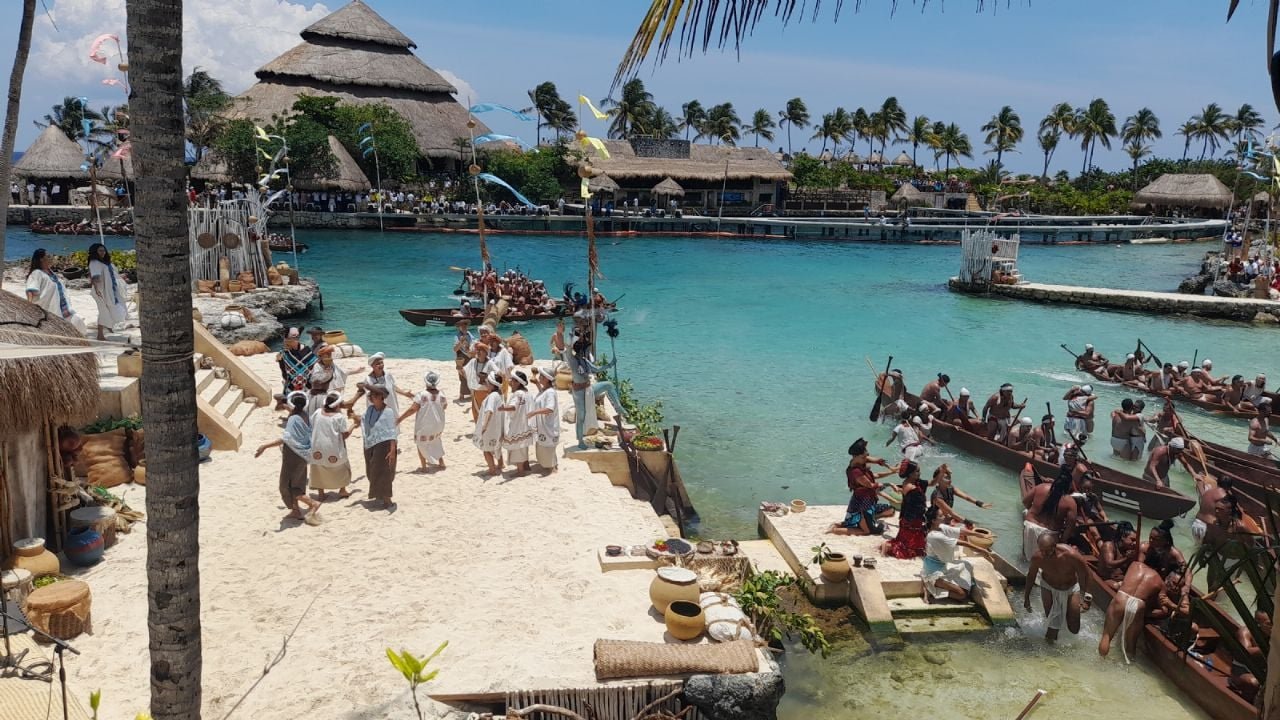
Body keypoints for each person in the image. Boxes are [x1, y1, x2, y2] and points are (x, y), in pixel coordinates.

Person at [1098, 561, 1189, 663]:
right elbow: (1164, 610)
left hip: (1122, 598)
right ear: (1165, 576)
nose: (1175, 587)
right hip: (1138, 605)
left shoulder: (1134, 564)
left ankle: (1100, 663)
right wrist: (1147, 613)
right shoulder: (1160, 582)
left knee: (1107, 636)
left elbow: (1120, 582)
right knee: (1131, 644)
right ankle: (1128, 666)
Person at [254, 392, 322, 523]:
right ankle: (296, 511)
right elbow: (293, 410)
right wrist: (285, 405)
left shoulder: (293, 419)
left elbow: (286, 439)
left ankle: (313, 503)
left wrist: (265, 446)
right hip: (304, 454)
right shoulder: (304, 415)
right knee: (297, 482)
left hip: (293, 455)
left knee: (285, 485)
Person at [1024, 532, 1093, 642]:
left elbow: (1087, 574)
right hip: (1049, 587)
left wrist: (1087, 597)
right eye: (1042, 551)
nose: (1045, 554)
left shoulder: (1071, 555)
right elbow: (1031, 576)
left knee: (1074, 627)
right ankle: (1050, 653)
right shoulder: (1037, 558)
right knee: (1053, 625)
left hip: (1071, 587)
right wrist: (1026, 597)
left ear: (1054, 546)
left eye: (1048, 550)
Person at [564, 329, 626, 448]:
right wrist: (571, 336)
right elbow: (567, 349)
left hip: (588, 388)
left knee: (608, 385)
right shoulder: (573, 360)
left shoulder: (585, 361)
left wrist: (610, 364)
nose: (588, 350)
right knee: (581, 416)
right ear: (581, 350)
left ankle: (618, 406)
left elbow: (597, 369)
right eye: (586, 349)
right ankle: (580, 441)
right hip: (578, 392)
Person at [921, 505, 993, 603]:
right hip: (933, 572)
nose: (945, 517)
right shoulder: (934, 536)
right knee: (962, 595)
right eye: (941, 516)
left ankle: (933, 586)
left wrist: (979, 534)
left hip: (942, 566)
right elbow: (962, 542)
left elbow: (960, 531)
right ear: (933, 520)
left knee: (966, 564)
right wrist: (982, 549)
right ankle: (931, 588)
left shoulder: (940, 527)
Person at [828, 438, 896, 536]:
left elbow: (876, 460)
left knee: (891, 510)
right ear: (856, 456)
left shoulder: (860, 461)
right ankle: (834, 530)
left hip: (869, 501)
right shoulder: (856, 472)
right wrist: (889, 484)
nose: (867, 458)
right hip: (861, 504)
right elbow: (871, 486)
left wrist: (890, 468)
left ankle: (869, 518)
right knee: (867, 531)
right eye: (864, 457)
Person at [1022, 466, 1079, 561]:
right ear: (1068, 486)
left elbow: (1025, 502)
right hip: (1049, 534)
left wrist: (1033, 511)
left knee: (1025, 558)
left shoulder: (1041, 487)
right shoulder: (1070, 502)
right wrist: (1063, 541)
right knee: (1043, 563)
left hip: (1030, 526)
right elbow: (1070, 526)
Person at [25, 248, 85, 333]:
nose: (50, 258)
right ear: (42, 259)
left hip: (64, 308)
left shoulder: (50, 272)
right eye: (48, 256)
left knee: (78, 322)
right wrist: (29, 306)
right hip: (50, 308)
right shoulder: (37, 273)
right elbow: (30, 290)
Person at [309, 393, 354, 500]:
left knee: (319, 469)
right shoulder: (339, 418)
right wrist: (354, 426)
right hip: (333, 448)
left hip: (317, 447)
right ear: (337, 405)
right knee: (342, 468)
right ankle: (342, 490)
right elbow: (345, 435)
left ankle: (321, 493)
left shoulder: (317, 413)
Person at [399, 372, 448, 471]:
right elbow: (445, 406)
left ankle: (424, 467)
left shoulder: (421, 395)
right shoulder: (442, 394)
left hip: (426, 425)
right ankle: (441, 463)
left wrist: (400, 419)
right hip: (439, 424)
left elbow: (412, 409)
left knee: (420, 443)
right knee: (436, 441)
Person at [360, 383, 398, 509]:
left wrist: (392, 450)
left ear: (381, 397)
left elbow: (392, 432)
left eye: (375, 395)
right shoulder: (370, 410)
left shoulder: (388, 412)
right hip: (370, 444)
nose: (372, 397)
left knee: (384, 472)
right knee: (371, 471)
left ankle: (387, 499)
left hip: (384, 445)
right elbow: (364, 422)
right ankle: (378, 495)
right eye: (371, 395)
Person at [881, 461, 928, 559]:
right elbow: (912, 501)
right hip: (910, 518)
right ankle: (887, 547)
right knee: (905, 548)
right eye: (917, 471)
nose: (919, 473)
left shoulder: (914, 483)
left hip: (914, 516)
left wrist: (940, 473)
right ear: (910, 473)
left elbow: (930, 483)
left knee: (914, 545)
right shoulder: (909, 486)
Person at [349, 352, 413, 418]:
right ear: (372, 366)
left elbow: (393, 386)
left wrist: (405, 393)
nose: (381, 365)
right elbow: (370, 396)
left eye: (382, 363)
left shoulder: (388, 374)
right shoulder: (368, 379)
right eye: (377, 364)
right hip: (377, 410)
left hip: (392, 405)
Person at [86, 242, 128, 340]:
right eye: (100, 250)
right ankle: (100, 334)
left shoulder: (104, 262)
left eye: (104, 250)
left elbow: (110, 275)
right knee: (103, 311)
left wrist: (120, 277)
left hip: (109, 290)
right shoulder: (94, 262)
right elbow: (95, 277)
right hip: (100, 291)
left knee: (110, 309)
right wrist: (97, 288)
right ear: (95, 252)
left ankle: (109, 327)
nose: (103, 252)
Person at [500, 370, 535, 476]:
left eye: (512, 380)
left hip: (517, 424)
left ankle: (520, 471)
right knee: (524, 446)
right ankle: (526, 465)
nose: (510, 382)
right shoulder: (526, 392)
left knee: (517, 447)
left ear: (518, 382)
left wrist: (502, 408)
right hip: (526, 424)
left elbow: (513, 407)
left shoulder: (517, 394)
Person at [527, 367, 561, 474]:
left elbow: (549, 409)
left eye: (541, 376)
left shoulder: (550, 392)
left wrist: (534, 412)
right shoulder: (546, 390)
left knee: (547, 448)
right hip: (543, 427)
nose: (539, 377)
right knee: (544, 447)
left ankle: (552, 469)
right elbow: (542, 394)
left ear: (547, 379)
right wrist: (537, 384)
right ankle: (551, 466)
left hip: (548, 427)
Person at [474, 372, 506, 475]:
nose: (486, 383)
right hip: (497, 426)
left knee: (486, 449)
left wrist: (484, 425)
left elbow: (489, 411)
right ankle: (501, 464)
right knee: (497, 446)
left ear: (492, 384)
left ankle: (492, 469)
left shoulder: (492, 396)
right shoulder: (499, 394)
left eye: (487, 382)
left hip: (491, 427)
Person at [276, 328, 315, 408]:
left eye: (288, 341)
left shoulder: (307, 350)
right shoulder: (284, 352)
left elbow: (313, 365)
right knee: (291, 401)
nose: (286, 343)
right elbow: (283, 367)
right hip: (291, 381)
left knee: (305, 401)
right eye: (286, 341)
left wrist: (306, 375)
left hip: (305, 381)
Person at [1097, 520, 1139, 589]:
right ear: (1123, 537)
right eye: (1132, 540)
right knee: (1118, 587)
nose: (1134, 543)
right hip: (1106, 579)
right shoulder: (1109, 545)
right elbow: (1109, 565)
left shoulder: (1129, 550)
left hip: (1122, 581)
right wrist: (1127, 558)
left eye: (1136, 541)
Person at [453, 319, 475, 402]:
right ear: (459, 327)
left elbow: (473, 344)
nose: (463, 327)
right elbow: (455, 349)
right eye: (461, 326)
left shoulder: (470, 334)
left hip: (470, 357)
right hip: (461, 358)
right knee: (462, 376)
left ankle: (471, 394)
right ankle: (461, 395)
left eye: (465, 325)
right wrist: (460, 342)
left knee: (471, 375)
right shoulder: (457, 336)